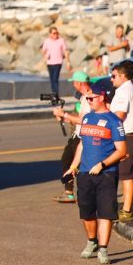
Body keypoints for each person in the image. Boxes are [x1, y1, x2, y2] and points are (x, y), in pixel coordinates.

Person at [65, 80, 126, 265]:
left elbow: (121, 151)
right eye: (87, 98)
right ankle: (92, 241)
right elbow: (82, 145)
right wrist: (73, 166)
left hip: (106, 174)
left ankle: (103, 249)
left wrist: (102, 164)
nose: (88, 100)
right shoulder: (86, 118)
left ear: (101, 97)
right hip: (85, 173)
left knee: (105, 212)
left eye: (91, 98)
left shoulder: (114, 121)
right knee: (87, 212)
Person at [108, 61, 133, 221]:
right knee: (127, 172)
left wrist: (105, 122)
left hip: (127, 136)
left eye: (114, 76)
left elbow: (119, 115)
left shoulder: (124, 91)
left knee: (126, 174)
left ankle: (127, 211)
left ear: (122, 76)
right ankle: (125, 207)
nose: (111, 79)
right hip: (132, 135)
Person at [53, 70, 94, 203]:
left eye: (75, 82)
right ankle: (69, 192)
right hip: (77, 134)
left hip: (84, 136)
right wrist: (65, 118)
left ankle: (84, 193)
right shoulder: (83, 97)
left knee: (80, 165)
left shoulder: (89, 98)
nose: (73, 85)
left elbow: (83, 120)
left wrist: (64, 115)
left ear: (80, 83)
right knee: (67, 159)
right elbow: (78, 118)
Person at [41, 27, 72, 97]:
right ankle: (54, 94)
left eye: (57, 33)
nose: (56, 34)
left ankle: (55, 95)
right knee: (52, 79)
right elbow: (43, 51)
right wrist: (45, 55)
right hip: (49, 63)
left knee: (55, 78)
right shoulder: (47, 41)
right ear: (50, 34)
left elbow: (66, 52)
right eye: (54, 33)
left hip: (58, 62)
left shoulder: (61, 40)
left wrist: (68, 63)